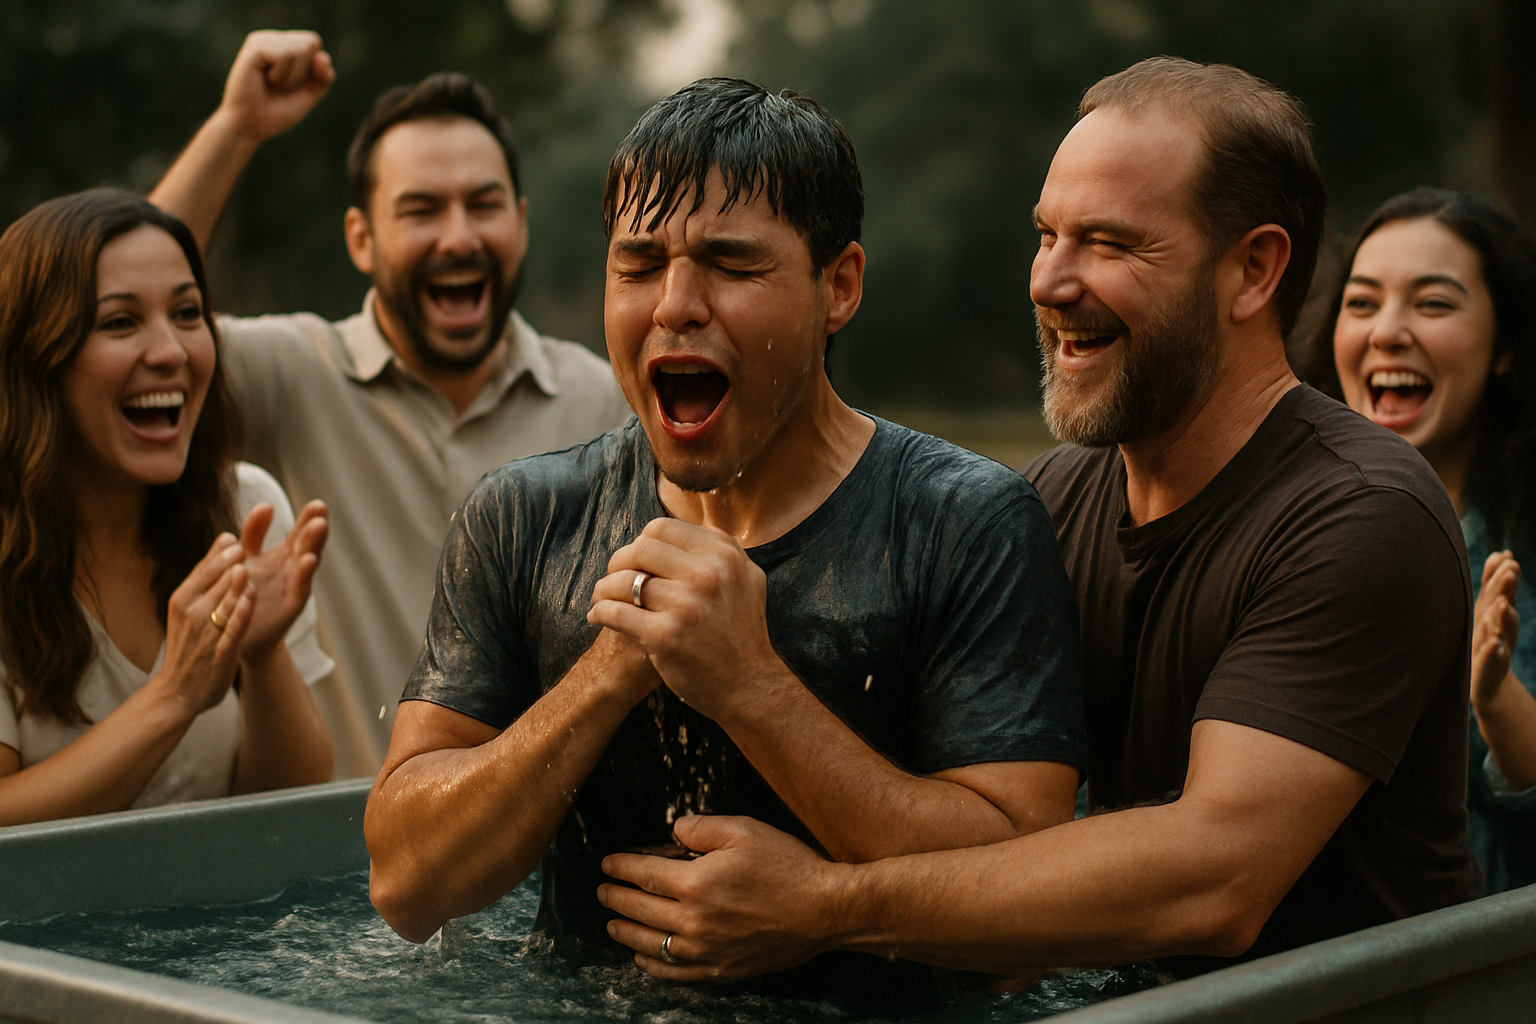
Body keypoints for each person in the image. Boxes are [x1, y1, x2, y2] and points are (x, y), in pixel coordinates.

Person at [593, 57, 1483, 982]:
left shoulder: (1361, 513)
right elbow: (981, 813)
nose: (1049, 282)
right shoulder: (1049, 500)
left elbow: (1215, 883)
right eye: (1047, 236)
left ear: (1253, 270)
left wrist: (825, 905)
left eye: (1108, 243)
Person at [363, 77, 1086, 1004]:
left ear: (840, 287)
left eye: (731, 264)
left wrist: (748, 684)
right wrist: (610, 667)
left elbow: (1032, 919)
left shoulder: (967, 524)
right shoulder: (523, 517)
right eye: (639, 263)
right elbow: (405, 885)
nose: (675, 305)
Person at [148, 31, 632, 777]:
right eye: (421, 210)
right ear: (361, 239)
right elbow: (106, 315)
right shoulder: (291, 374)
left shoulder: (602, 399)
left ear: (522, 222)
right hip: (333, 866)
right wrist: (235, 128)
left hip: (535, 854)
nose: (459, 236)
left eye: (483, 204)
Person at [0, 189, 333, 824]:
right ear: (36, 358)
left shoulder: (247, 507)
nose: (172, 351)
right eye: (120, 322)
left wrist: (263, 658)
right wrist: (173, 695)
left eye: (187, 313)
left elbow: (288, 810)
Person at [1297, 188, 1536, 893]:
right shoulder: (1286, 526)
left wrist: (1495, 703)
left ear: (1505, 349)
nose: (1388, 332)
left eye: (1433, 304)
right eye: (1363, 302)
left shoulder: (1512, 552)